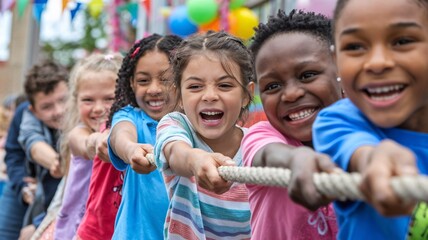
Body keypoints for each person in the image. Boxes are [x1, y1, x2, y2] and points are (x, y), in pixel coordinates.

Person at [312, 0, 428, 238]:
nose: (377, 63)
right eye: (355, 46)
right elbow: (358, 151)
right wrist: (374, 158)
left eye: (402, 41)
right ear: (335, 62)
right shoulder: (336, 121)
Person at [240, 9, 341, 240]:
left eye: (307, 75)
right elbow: (266, 154)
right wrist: (297, 158)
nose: (291, 94)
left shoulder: (365, 134)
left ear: (340, 70)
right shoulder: (262, 134)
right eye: (273, 86)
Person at [154, 31, 254, 239]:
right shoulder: (176, 124)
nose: (209, 96)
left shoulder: (257, 143)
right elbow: (175, 150)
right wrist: (196, 160)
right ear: (179, 95)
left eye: (225, 85)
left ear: (246, 94)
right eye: (195, 87)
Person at [107, 34, 182, 240]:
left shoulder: (195, 123)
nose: (154, 89)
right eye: (143, 80)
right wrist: (131, 149)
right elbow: (120, 135)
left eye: (165, 79)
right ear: (131, 83)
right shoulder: (129, 116)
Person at [51, 53, 121, 239]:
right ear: (76, 100)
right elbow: (85, 144)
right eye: (88, 100)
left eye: (109, 99)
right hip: (77, 230)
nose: (98, 108)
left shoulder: (129, 135)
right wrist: (98, 141)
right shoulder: (78, 134)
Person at [17, 60, 69, 239]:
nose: (59, 111)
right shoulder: (27, 118)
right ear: (34, 111)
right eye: (47, 107)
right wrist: (57, 163)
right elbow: (33, 142)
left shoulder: (87, 116)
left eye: (63, 100)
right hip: (47, 207)